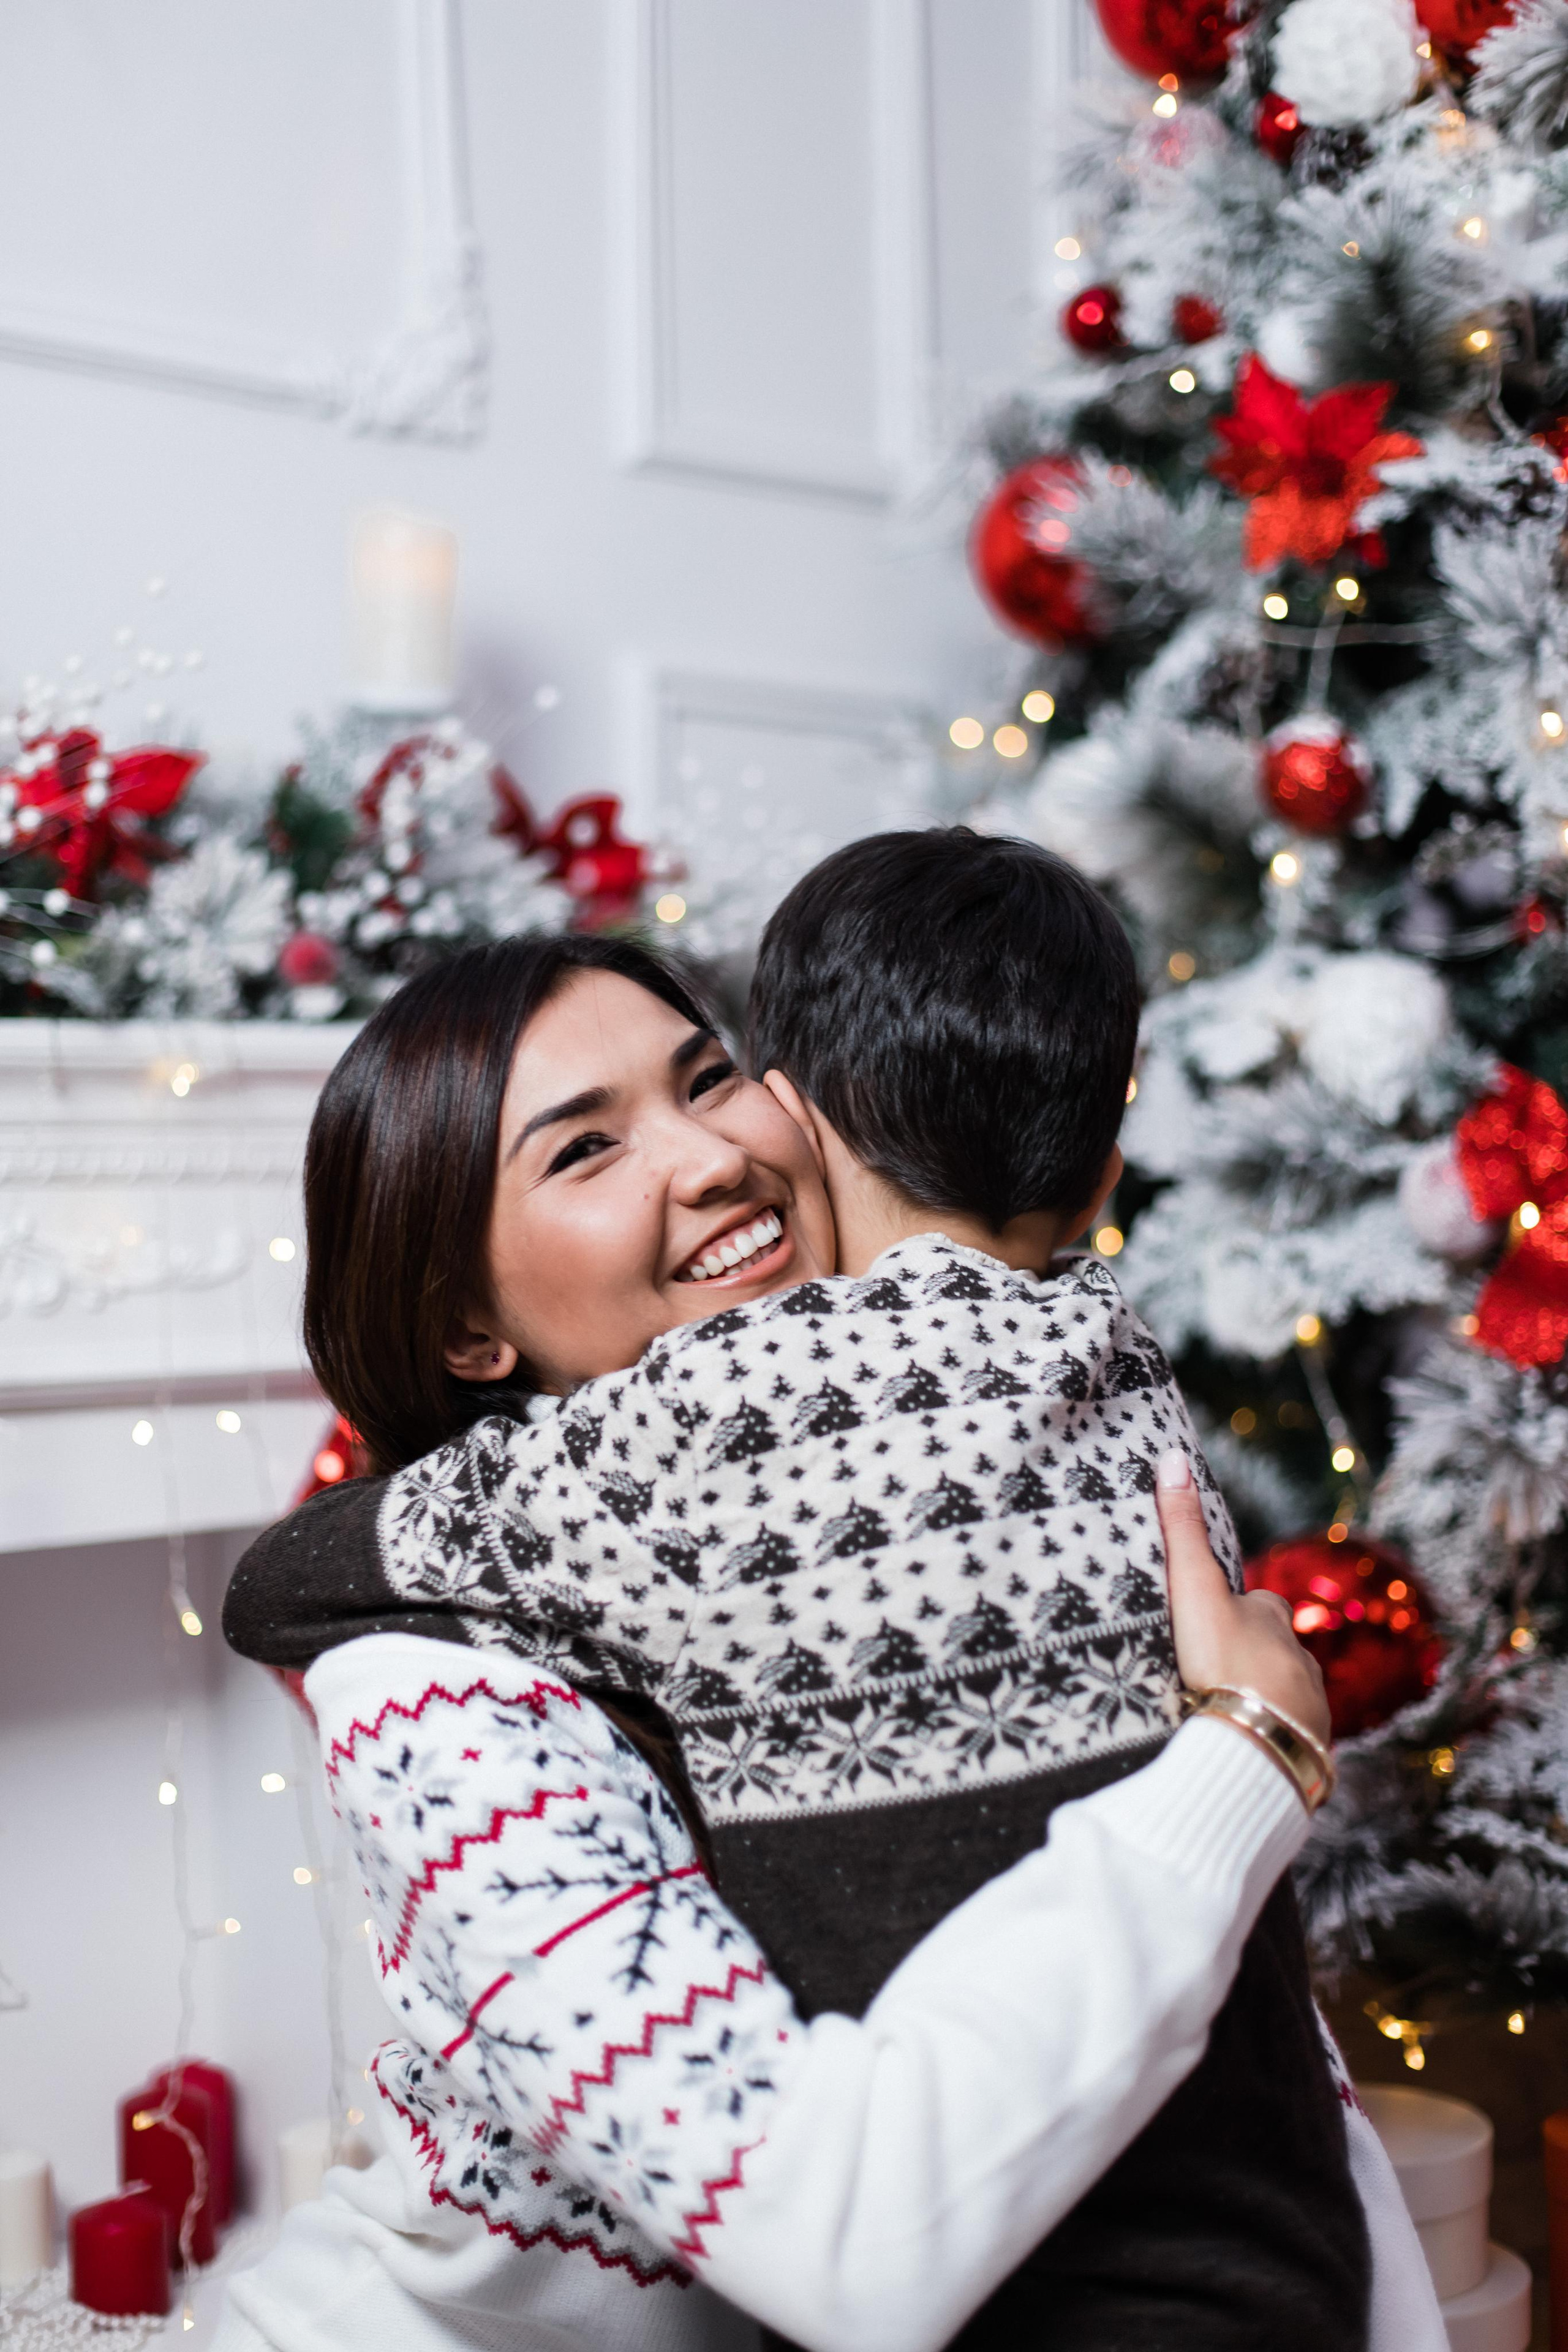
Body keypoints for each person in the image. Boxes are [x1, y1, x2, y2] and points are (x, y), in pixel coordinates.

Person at [222, 897, 1441, 2350]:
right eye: (585, 1146)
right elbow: (844, 2247)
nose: (714, 1156)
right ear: (467, 1330)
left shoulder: (957, 1478)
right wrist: (1244, 1754)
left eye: (706, 1077)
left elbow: (1244, 2078)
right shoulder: (429, 1693)